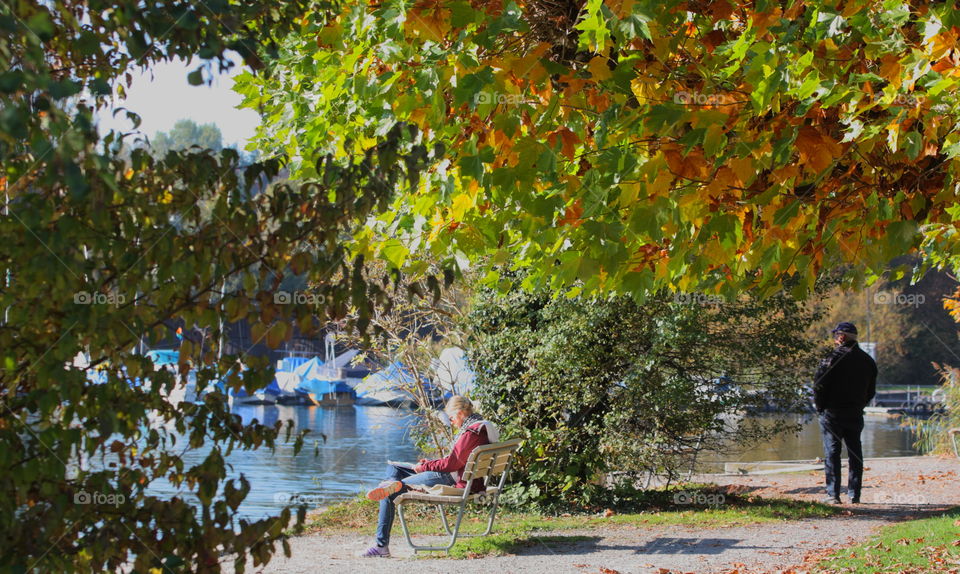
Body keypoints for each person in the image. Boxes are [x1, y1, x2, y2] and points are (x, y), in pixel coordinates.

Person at [360, 395, 499, 558]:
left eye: (452, 417)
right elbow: (455, 461)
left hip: (449, 478)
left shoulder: (471, 433)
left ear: (461, 413)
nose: (451, 421)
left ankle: (381, 546)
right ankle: (393, 484)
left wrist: (426, 466)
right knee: (394, 468)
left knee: (388, 492)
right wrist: (429, 464)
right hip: (455, 475)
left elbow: (452, 464)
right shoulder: (479, 428)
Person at [813, 322, 877, 504]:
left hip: (832, 412)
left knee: (832, 452)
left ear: (841, 337)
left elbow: (818, 385)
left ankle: (833, 494)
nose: (834, 339)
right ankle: (854, 494)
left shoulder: (831, 358)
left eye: (836, 336)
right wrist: (860, 405)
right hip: (855, 411)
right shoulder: (867, 361)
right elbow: (871, 391)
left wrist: (820, 407)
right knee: (855, 452)